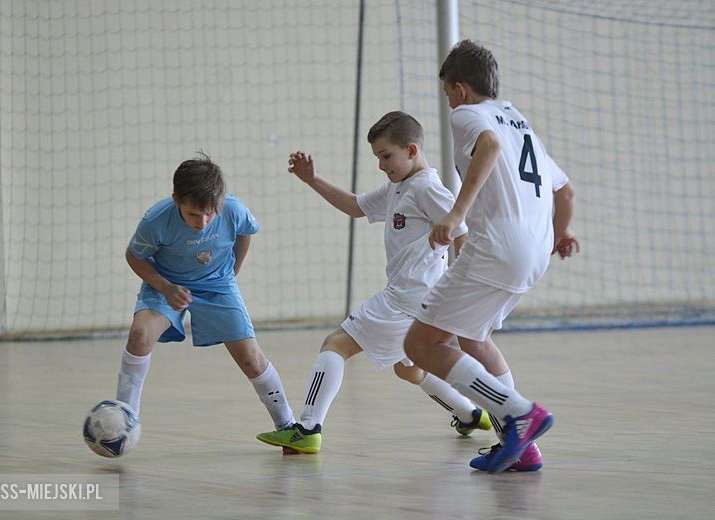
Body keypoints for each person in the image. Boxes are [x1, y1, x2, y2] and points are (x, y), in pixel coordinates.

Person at [256, 111, 491, 455]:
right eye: (377, 157)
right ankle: (469, 414)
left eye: (386, 156)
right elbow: (354, 206)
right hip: (417, 301)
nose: (381, 164)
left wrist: (462, 292)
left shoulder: (426, 188)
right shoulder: (401, 186)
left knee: (336, 344)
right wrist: (312, 179)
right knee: (408, 369)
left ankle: (307, 427)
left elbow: (463, 234)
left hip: (407, 299)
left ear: (411, 150)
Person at [403, 39, 580, 474]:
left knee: (422, 344)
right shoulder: (519, 121)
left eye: (446, 93)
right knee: (474, 338)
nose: (447, 102)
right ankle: (521, 446)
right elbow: (565, 191)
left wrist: (456, 212)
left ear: (459, 89)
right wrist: (561, 234)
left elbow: (488, 146)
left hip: (498, 247)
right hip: (533, 250)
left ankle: (519, 412)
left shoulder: (468, 115)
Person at [115, 152, 295, 437]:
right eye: (193, 215)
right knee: (140, 335)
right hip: (167, 283)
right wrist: (164, 287)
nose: (203, 222)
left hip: (218, 283)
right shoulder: (156, 221)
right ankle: (123, 418)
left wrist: (231, 273)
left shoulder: (234, 210)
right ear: (176, 200)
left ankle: (288, 425)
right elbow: (134, 257)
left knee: (252, 359)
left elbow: (245, 232)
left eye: (210, 213)